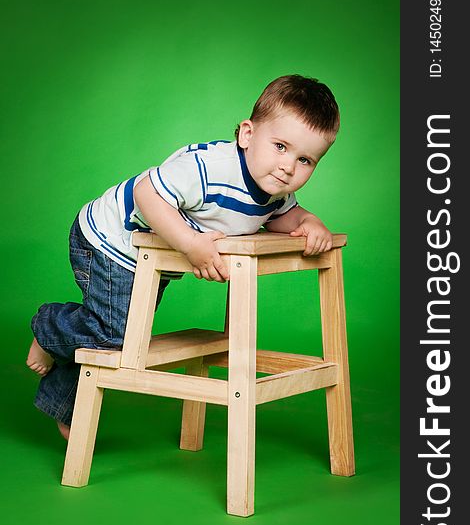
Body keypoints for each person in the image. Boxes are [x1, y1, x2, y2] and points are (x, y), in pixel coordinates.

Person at [26, 74, 340, 440]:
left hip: (148, 259)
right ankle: (48, 326)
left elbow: (285, 218)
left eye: (305, 160)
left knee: (114, 337)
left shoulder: (273, 192)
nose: (288, 166)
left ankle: (64, 405)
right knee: (115, 335)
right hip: (110, 238)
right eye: (281, 146)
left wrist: (310, 222)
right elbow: (147, 193)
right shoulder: (209, 168)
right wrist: (191, 244)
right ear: (247, 134)